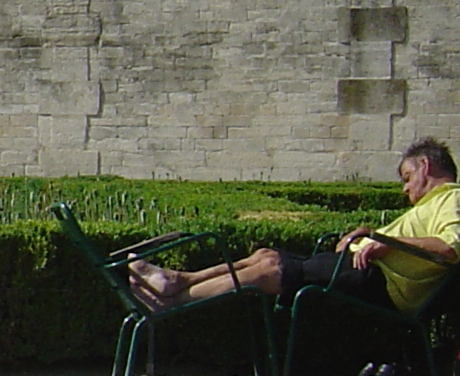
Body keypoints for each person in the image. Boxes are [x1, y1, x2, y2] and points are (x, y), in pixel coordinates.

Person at [126, 141, 460, 336]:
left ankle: (174, 300)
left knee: (269, 272)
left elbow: (449, 249)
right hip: (368, 272)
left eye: (407, 177)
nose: (405, 189)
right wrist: (370, 235)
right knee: (267, 256)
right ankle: (179, 280)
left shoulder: (452, 199)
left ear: (425, 166)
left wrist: (386, 244)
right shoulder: (434, 204)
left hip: (383, 283)